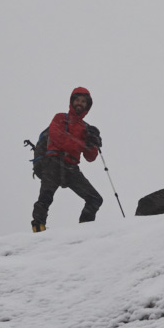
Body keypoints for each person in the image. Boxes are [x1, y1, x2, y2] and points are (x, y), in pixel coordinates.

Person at [31, 87, 104, 232]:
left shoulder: (87, 128)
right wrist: (84, 144)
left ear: (87, 105)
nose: (80, 103)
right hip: (53, 162)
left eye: (83, 101)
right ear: (72, 101)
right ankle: (38, 227)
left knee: (95, 199)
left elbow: (90, 157)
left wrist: (93, 143)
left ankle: (85, 230)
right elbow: (59, 139)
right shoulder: (60, 118)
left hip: (71, 167)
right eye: (77, 100)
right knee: (46, 197)